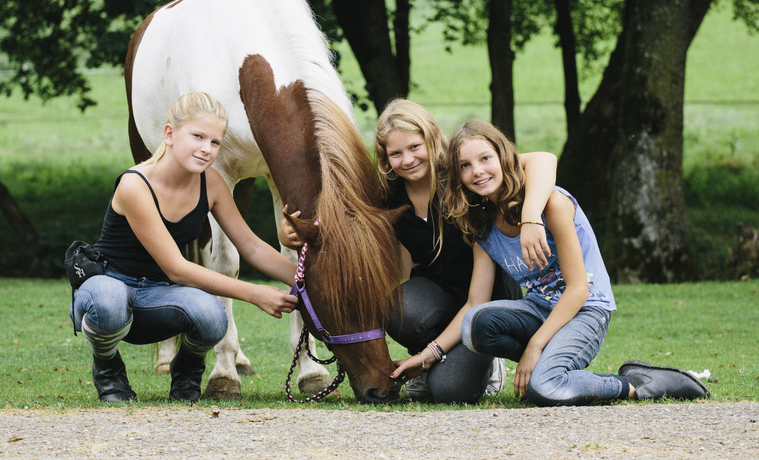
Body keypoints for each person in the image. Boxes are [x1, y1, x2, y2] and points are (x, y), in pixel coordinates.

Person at [390, 118, 709, 406]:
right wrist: (428, 355)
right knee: (477, 323)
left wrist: (534, 347)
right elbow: (475, 302)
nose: (478, 171)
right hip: (539, 309)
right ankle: (548, 367)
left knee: (544, 389)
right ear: (457, 175)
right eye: (465, 165)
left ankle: (639, 383)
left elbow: (578, 289)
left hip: (585, 310)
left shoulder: (551, 204)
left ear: (504, 158)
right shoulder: (482, 225)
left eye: (486, 159)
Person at [280, 99, 556, 403]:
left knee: (450, 392)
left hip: (485, 303)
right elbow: (342, 220)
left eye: (414, 147)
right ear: (385, 157)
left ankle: (487, 361)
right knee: (395, 308)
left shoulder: (461, 175)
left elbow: (543, 159)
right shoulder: (387, 194)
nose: (407, 159)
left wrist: (531, 218)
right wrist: (290, 230)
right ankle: (430, 357)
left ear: (434, 137)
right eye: (395, 153)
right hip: (436, 297)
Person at [70, 92, 299, 403]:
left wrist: (308, 280)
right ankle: (107, 366)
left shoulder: (212, 183)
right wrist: (254, 293)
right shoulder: (135, 185)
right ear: (169, 134)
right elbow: (176, 268)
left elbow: (253, 247)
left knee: (213, 316)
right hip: (108, 285)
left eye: (215, 142)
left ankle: (188, 369)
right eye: (198, 136)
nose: (206, 149)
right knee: (110, 302)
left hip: (158, 296)